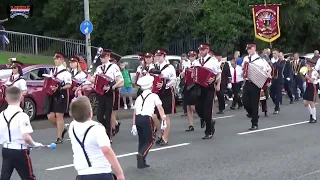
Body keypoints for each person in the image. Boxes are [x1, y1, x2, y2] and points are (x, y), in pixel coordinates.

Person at [68, 96, 125, 180]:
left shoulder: (72, 126)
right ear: (91, 113)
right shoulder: (97, 128)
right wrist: (119, 173)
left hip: (82, 173)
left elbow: (77, 114)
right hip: (101, 172)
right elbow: (106, 150)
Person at [0, 86, 42, 180]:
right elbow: (26, 137)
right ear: (21, 98)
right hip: (20, 151)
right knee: (29, 177)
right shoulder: (22, 116)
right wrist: (34, 144)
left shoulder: (1, 115)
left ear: (6, 99)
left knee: (4, 177)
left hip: (6, 150)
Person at [131, 75, 167, 168]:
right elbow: (160, 108)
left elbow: (135, 112)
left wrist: (134, 124)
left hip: (138, 119)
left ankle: (141, 162)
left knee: (142, 140)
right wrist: (163, 119)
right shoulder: (154, 96)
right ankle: (141, 155)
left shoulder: (138, 98)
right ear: (151, 86)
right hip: (147, 119)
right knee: (150, 140)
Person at [90, 50, 124, 141]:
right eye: (101, 57)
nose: (102, 58)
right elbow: (93, 79)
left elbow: (121, 81)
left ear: (108, 57)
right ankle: (110, 129)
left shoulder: (113, 67)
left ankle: (109, 136)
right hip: (100, 93)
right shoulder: (99, 68)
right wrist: (91, 79)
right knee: (99, 116)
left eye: (104, 57)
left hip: (110, 93)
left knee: (108, 115)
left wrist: (112, 87)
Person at [44, 53, 72, 144]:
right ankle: (62, 129)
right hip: (52, 94)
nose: (56, 61)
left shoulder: (66, 72)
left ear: (62, 60)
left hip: (61, 94)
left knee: (59, 115)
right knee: (50, 116)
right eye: (55, 59)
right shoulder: (53, 70)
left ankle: (59, 137)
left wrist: (59, 88)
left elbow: (69, 85)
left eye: (58, 59)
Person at [242, 44, 271, 130]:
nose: (249, 51)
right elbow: (243, 68)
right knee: (244, 100)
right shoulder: (246, 58)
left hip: (256, 83)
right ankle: (253, 114)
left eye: (250, 49)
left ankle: (254, 123)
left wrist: (265, 79)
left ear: (254, 49)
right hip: (247, 82)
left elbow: (269, 69)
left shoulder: (260, 60)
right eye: (248, 49)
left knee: (254, 103)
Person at [196, 44, 221, 139]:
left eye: (203, 50)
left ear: (207, 50)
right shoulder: (197, 61)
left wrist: (215, 80)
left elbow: (218, 73)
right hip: (199, 87)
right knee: (198, 107)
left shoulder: (213, 61)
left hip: (209, 87)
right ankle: (209, 121)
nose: (201, 51)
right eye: (200, 50)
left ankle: (208, 131)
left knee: (208, 109)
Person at [152, 49, 176, 146]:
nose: (158, 58)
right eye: (157, 56)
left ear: (164, 56)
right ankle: (160, 134)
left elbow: (173, 80)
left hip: (166, 92)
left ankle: (165, 137)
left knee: (165, 115)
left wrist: (164, 85)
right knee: (154, 115)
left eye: (160, 56)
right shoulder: (155, 66)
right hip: (156, 93)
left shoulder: (169, 67)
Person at [180, 50, 200, 131]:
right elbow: (183, 73)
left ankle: (203, 117)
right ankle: (191, 125)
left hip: (193, 86)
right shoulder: (187, 64)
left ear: (195, 57)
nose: (191, 58)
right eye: (190, 56)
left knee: (193, 106)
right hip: (187, 85)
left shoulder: (197, 64)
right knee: (188, 106)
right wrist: (182, 74)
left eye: (193, 56)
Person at [301, 59, 318, 123]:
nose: (306, 65)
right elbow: (305, 79)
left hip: (313, 86)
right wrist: (303, 75)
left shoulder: (314, 72)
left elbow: (312, 80)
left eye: (307, 64)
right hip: (308, 86)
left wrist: (306, 75)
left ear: (310, 65)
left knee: (311, 102)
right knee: (305, 102)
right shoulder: (308, 70)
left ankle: (314, 118)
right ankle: (311, 114)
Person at [269, 49, 285, 114]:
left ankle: (276, 107)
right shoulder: (271, 60)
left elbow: (281, 67)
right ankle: (276, 104)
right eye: (273, 53)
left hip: (279, 80)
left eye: (275, 53)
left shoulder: (281, 61)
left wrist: (275, 62)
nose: (274, 54)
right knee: (271, 94)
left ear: (278, 54)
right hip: (273, 79)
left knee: (278, 94)